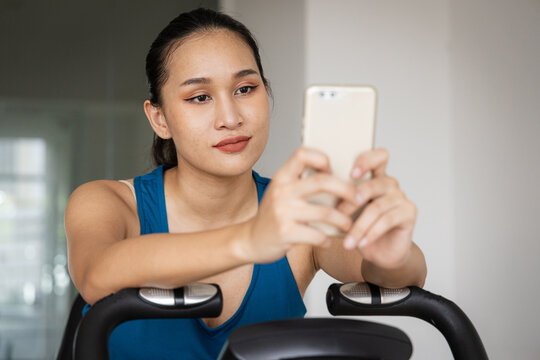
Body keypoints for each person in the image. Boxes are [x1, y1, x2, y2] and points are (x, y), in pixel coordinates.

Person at [65, 7, 427, 360]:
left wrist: (392, 253)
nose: (230, 117)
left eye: (245, 89)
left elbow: (393, 275)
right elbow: (97, 275)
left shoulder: (298, 214)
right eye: (200, 97)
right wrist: (251, 238)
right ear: (159, 119)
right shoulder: (106, 201)